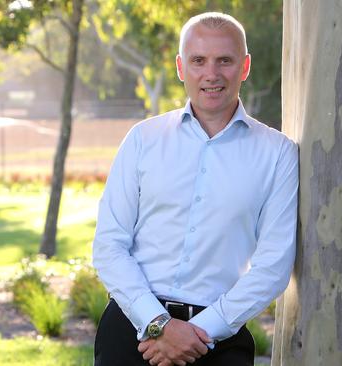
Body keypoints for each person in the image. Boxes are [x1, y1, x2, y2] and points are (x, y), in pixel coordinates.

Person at [92, 12, 298, 366]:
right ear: (180, 66)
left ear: (244, 66)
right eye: (198, 60)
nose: (211, 74)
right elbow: (109, 244)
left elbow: (273, 266)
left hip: (218, 340)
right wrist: (158, 325)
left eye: (225, 61)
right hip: (133, 329)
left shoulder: (278, 153)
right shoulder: (144, 139)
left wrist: (196, 333)